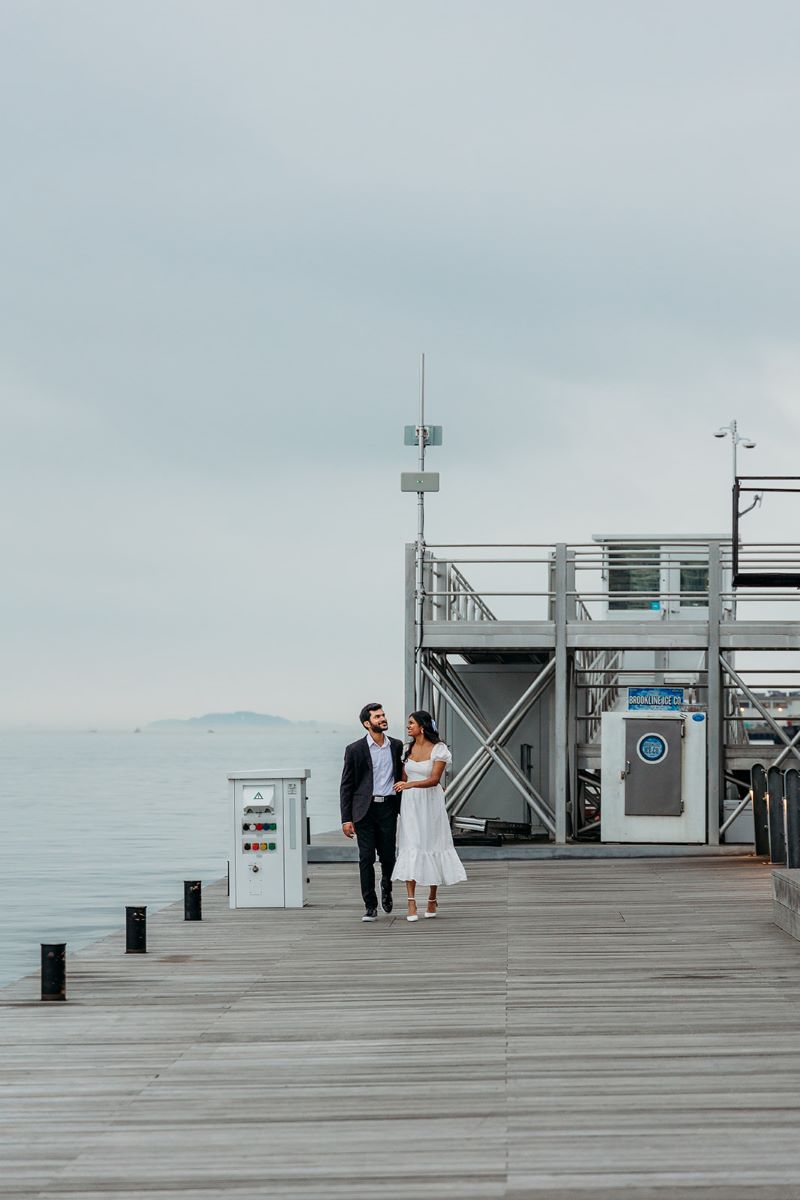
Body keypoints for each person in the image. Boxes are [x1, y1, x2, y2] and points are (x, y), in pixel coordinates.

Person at [392, 711, 466, 922]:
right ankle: (411, 901)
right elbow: (404, 777)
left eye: (411, 723)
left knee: (433, 845)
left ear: (422, 727)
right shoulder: (407, 749)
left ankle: (432, 898)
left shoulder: (439, 749)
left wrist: (410, 784)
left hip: (430, 803)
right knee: (412, 846)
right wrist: (404, 787)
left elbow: (434, 780)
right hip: (410, 804)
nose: (408, 727)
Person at [340, 703, 405, 922]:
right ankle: (370, 905)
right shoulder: (355, 749)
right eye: (378, 717)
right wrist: (346, 818)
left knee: (388, 857)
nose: (383, 718)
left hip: (388, 808)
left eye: (383, 715)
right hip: (363, 812)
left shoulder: (396, 746)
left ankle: (386, 884)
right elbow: (346, 786)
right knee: (366, 858)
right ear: (367, 724)